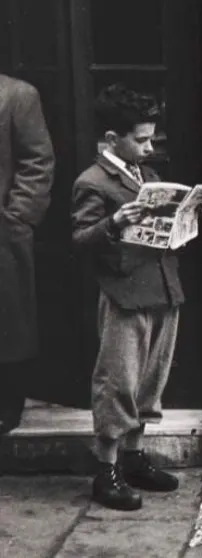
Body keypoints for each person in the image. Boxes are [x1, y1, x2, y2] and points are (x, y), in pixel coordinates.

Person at [70, 83, 183, 511]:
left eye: (151, 138)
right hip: (123, 295)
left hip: (161, 288)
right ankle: (107, 471)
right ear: (112, 139)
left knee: (150, 382)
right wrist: (114, 222)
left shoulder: (147, 177)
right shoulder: (92, 182)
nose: (150, 147)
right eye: (141, 139)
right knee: (118, 382)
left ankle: (134, 458)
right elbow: (80, 240)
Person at [0, 73, 56, 434]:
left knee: (7, 326)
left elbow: (38, 163)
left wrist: (16, 218)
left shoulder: (17, 95)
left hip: (2, 236)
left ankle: (5, 408)